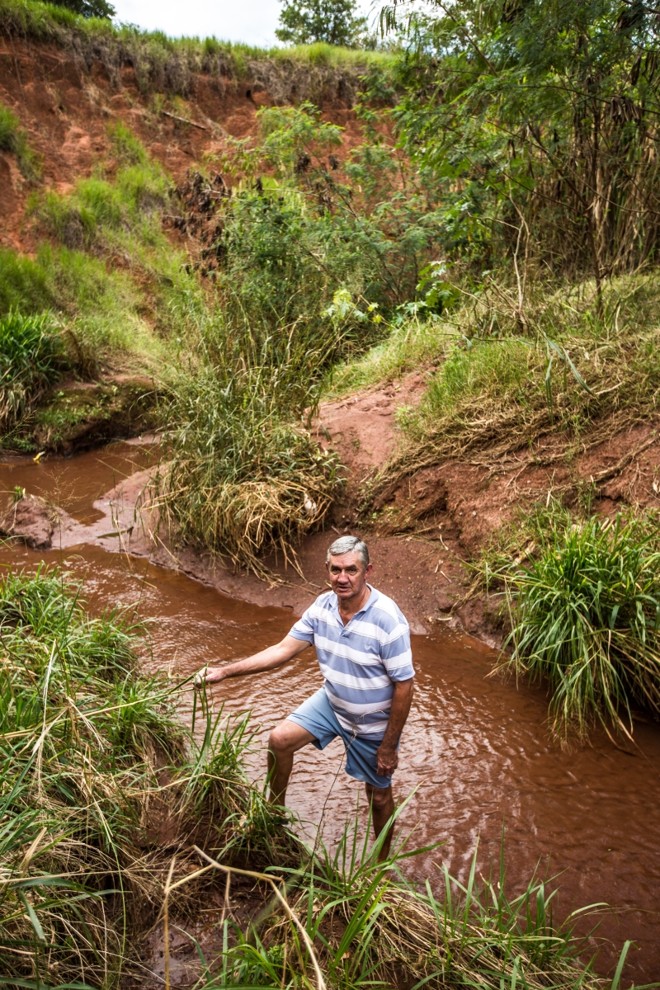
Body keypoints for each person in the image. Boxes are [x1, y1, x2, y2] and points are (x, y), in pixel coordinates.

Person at [195, 535, 415, 859]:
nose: (343, 578)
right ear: (327, 569)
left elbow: (404, 686)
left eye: (351, 570)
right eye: (336, 570)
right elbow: (283, 649)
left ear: (368, 571)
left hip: (373, 725)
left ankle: (381, 869)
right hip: (333, 703)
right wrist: (225, 671)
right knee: (280, 740)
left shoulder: (388, 619)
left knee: (379, 796)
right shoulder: (322, 608)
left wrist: (388, 745)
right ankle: (275, 817)